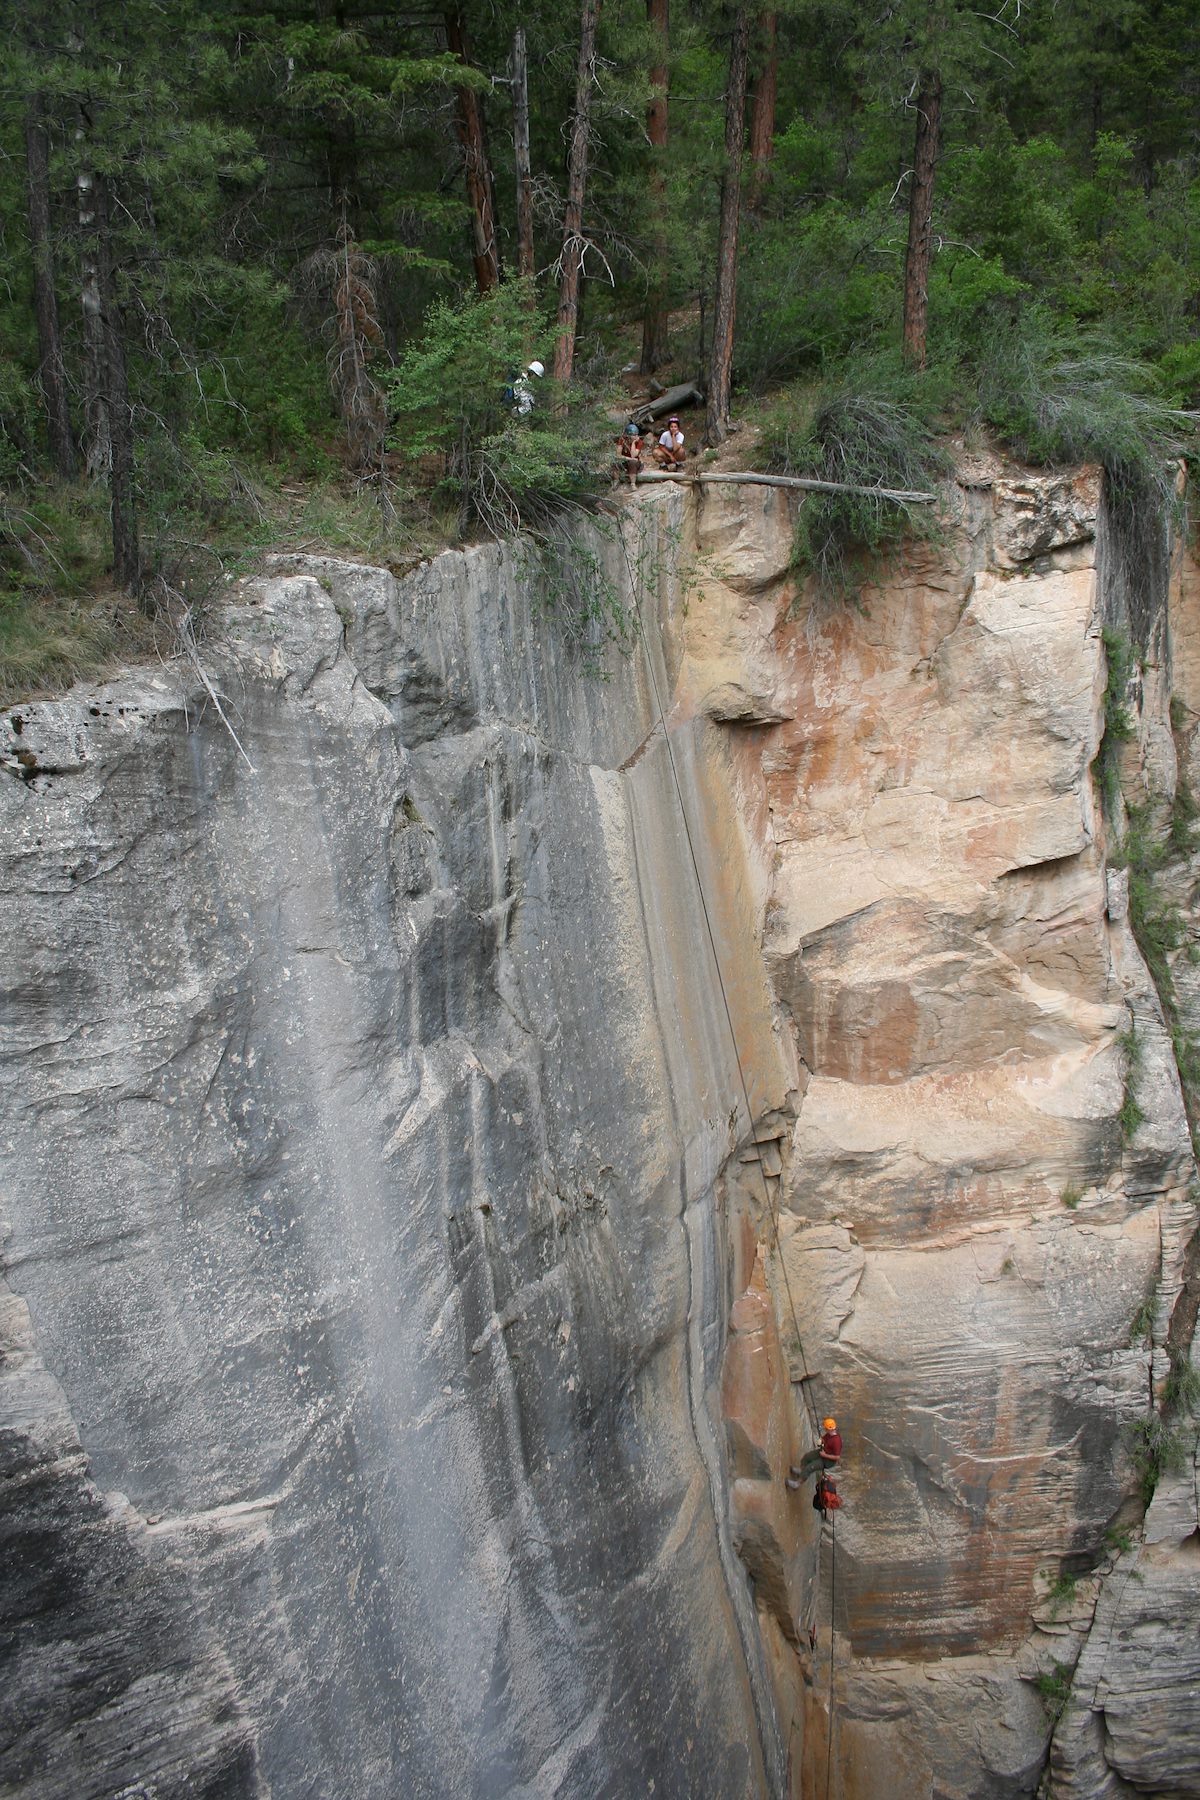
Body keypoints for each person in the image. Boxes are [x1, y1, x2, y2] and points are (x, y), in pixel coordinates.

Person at [786, 1418, 842, 1489]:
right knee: (807, 1457)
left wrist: (825, 1455)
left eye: (825, 1428)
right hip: (823, 1452)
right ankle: (801, 1471)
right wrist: (821, 1441)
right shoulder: (829, 1434)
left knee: (810, 1468)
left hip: (827, 1461)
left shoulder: (836, 1441)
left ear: (829, 1429)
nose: (825, 1429)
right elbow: (823, 1439)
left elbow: (837, 1457)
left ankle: (797, 1484)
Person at [615, 421, 643, 486]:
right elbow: (618, 455)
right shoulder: (622, 440)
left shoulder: (639, 442)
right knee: (615, 464)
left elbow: (633, 455)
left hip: (635, 463)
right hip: (625, 460)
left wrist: (633, 443)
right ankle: (615, 481)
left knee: (632, 463)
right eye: (634, 435)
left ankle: (633, 484)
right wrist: (629, 458)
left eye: (637, 434)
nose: (636, 436)